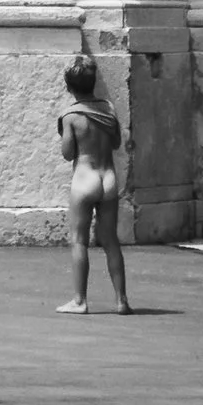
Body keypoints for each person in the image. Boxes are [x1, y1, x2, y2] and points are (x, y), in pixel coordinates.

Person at [56, 52, 129, 315]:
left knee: (78, 240)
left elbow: (67, 154)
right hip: (108, 178)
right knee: (110, 240)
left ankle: (80, 300)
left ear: (68, 86)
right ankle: (121, 300)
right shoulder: (108, 109)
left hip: (84, 180)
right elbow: (117, 143)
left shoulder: (70, 116)